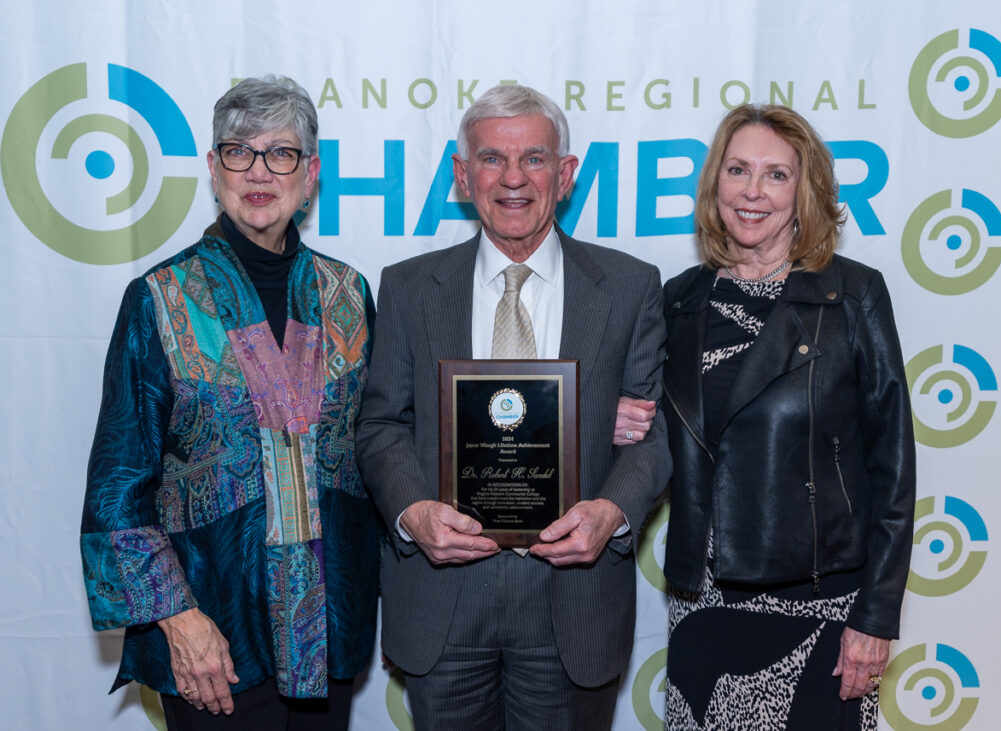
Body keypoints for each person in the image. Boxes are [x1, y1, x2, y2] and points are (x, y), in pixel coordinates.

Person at [355, 84, 672, 730]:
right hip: (444, 598)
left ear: (566, 173)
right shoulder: (408, 288)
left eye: (533, 158)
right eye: (492, 159)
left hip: (572, 603)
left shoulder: (630, 286)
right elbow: (381, 423)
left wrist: (610, 511)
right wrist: (414, 512)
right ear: (461, 174)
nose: (513, 179)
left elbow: (654, 433)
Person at [80, 76, 378, 730]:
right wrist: (180, 622)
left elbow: (382, 445)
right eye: (239, 151)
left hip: (327, 636)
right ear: (214, 170)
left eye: (282, 152)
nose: (260, 170)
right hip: (214, 645)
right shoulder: (158, 298)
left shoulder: (348, 295)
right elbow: (118, 485)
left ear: (311, 172)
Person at [655, 104, 915, 730]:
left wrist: (875, 617)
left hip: (821, 603)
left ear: (805, 191)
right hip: (703, 601)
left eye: (776, 175)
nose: (752, 191)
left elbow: (893, 465)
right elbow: (659, 443)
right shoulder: (679, 300)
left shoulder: (852, 294)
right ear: (716, 183)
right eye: (738, 169)